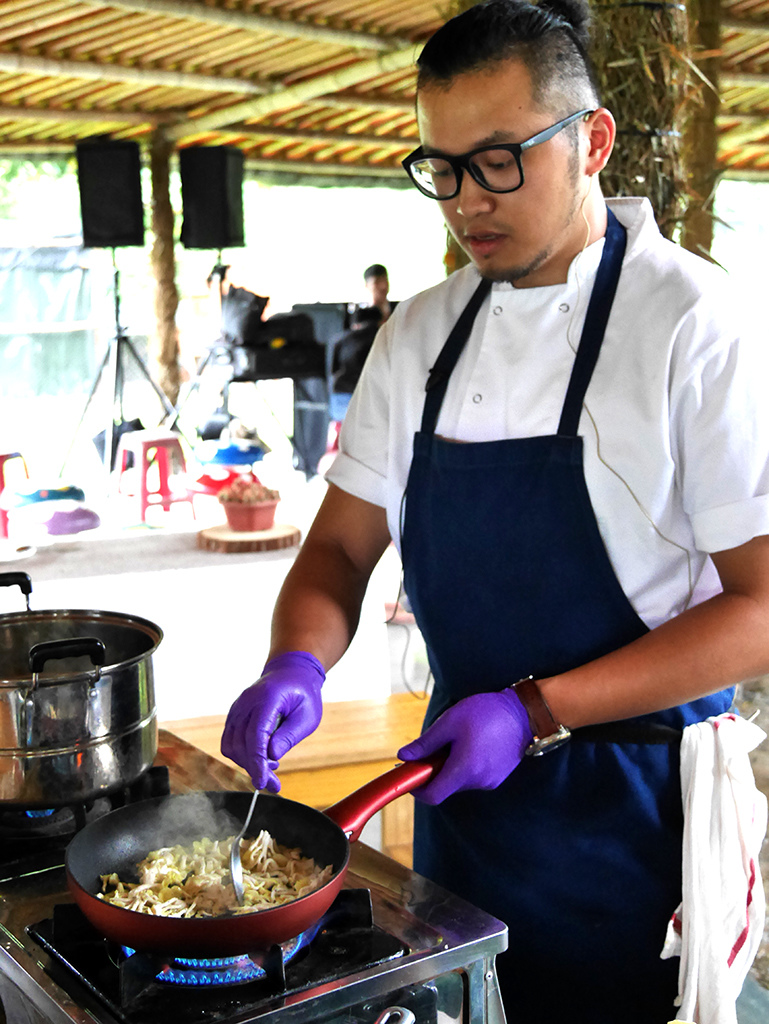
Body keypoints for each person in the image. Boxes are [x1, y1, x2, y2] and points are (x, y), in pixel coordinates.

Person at [221, 1, 769, 1020]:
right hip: (461, 798)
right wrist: (295, 660)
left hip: (635, 815)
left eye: (500, 159)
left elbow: (761, 608)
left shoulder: (696, 327)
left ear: (593, 140)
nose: (466, 200)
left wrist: (534, 711)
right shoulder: (419, 335)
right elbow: (341, 548)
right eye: (440, 166)